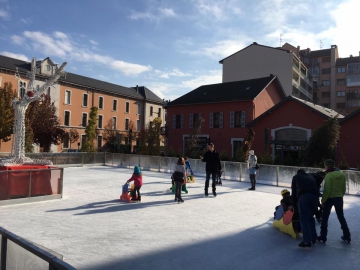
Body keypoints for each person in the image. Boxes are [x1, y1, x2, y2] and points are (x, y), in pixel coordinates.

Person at [317, 159, 351, 244]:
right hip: (339, 198)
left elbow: (327, 190)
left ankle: (323, 236)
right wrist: (340, 195)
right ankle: (347, 236)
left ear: (327, 166)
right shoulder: (341, 174)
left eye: (325, 165)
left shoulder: (329, 175)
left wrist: (323, 200)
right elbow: (343, 188)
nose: (325, 167)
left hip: (329, 199)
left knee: (325, 218)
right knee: (341, 217)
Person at [291, 168, 319, 248]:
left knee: (303, 218)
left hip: (304, 196)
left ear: (298, 173)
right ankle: (313, 238)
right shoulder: (310, 177)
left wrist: (293, 204)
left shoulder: (296, 177)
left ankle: (307, 240)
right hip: (315, 197)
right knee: (310, 217)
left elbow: (294, 192)